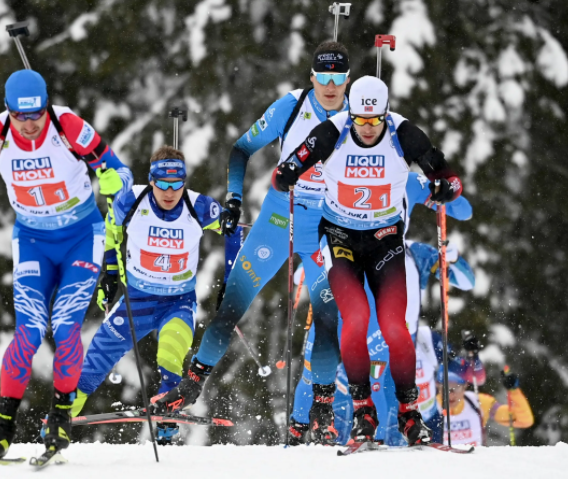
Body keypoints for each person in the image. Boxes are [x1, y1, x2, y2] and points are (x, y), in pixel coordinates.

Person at [154, 41, 351, 445]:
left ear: (347, 80)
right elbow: (241, 149)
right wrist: (234, 197)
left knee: (329, 318)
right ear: (311, 76)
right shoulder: (291, 108)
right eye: (323, 77)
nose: (330, 86)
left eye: (339, 78)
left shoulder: (358, 117)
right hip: (279, 218)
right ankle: (190, 387)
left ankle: (323, 411)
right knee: (232, 305)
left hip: (327, 226)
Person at [0, 69, 132, 458]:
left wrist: (113, 183)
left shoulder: (67, 125)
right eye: (19, 116)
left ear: (45, 106)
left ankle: (59, 418)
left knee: (66, 326)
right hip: (33, 240)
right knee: (29, 331)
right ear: (8, 111)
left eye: (35, 114)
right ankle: (2, 426)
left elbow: (119, 171)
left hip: (81, 237)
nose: (28, 124)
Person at [272, 75, 464, 445]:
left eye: (375, 120)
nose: (369, 128)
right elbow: (291, 164)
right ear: (352, 114)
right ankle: (363, 411)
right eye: (361, 120)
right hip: (341, 239)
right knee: (356, 319)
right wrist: (286, 175)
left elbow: (447, 176)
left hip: (385, 239)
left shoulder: (403, 132)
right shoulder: (332, 131)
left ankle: (410, 414)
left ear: (385, 114)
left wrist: (446, 187)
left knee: (395, 327)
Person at [289, 172, 473, 445]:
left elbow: (463, 210)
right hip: (342, 272)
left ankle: (373, 437)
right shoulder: (340, 171)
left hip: (380, 279)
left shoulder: (406, 178)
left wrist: (447, 190)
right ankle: (297, 435)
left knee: (374, 378)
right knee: (313, 368)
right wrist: (310, 263)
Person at [73, 145, 222, 445]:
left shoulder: (200, 207)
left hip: (177, 303)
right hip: (137, 302)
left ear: (184, 181)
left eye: (176, 183)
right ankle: (60, 417)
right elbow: (112, 230)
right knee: (94, 361)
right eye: (162, 184)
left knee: (170, 354)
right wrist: (110, 275)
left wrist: (233, 277)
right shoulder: (130, 201)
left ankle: (168, 419)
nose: (169, 192)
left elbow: (234, 229)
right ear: (151, 180)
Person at [437, 361, 533, 446]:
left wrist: (514, 391)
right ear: (437, 386)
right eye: (445, 388)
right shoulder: (429, 407)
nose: (450, 395)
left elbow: (524, 420)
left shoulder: (478, 402)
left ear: (465, 385)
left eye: (456, 388)